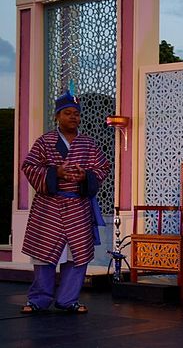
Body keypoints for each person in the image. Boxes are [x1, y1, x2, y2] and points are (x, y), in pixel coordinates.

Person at [20, 90, 111, 314]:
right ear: (57, 116)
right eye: (68, 113)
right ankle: (38, 299)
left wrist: (85, 176)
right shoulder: (45, 142)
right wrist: (56, 172)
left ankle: (68, 300)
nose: (74, 118)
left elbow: (102, 167)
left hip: (78, 207)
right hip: (48, 207)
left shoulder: (88, 143)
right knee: (44, 255)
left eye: (77, 114)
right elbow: (29, 166)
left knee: (77, 255)